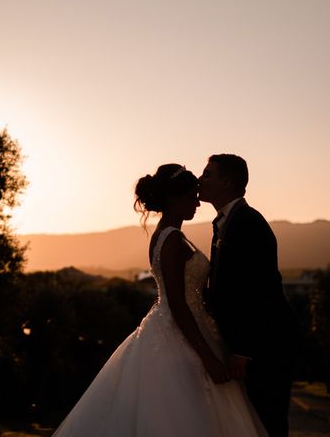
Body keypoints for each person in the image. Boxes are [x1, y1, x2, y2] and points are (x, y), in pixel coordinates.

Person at [52, 164, 267, 437]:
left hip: (190, 326)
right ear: (174, 199)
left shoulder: (174, 235)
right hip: (179, 334)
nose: (197, 203)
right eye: (191, 197)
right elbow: (177, 304)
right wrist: (208, 359)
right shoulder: (171, 240)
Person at [198, 154, 301, 437]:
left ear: (226, 182)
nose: (199, 179)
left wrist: (243, 350)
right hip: (251, 344)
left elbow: (261, 291)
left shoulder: (248, 223)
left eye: (207, 174)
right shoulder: (227, 221)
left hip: (266, 345)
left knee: (267, 423)